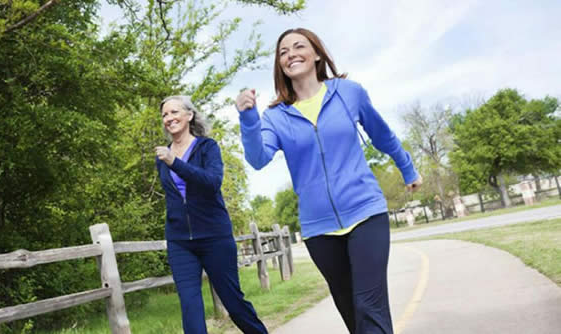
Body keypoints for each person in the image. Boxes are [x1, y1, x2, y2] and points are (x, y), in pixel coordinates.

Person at [235, 28, 422, 334]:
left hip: (365, 211)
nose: (291, 54)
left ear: (317, 54)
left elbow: (381, 134)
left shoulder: (348, 92)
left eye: (299, 47)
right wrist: (248, 119)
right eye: (283, 52)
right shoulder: (275, 117)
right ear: (279, 65)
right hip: (318, 226)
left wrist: (407, 168)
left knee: (369, 306)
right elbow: (257, 159)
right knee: (350, 310)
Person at [155, 95, 268, 334]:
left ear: (189, 115)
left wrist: (175, 162)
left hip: (214, 236)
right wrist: (170, 160)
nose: (169, 118)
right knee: (190, 306)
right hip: (180, 241)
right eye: (165, 114)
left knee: (233, 302)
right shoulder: (163, 156)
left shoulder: (207, 147)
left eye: (174, 112)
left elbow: (212, 182)